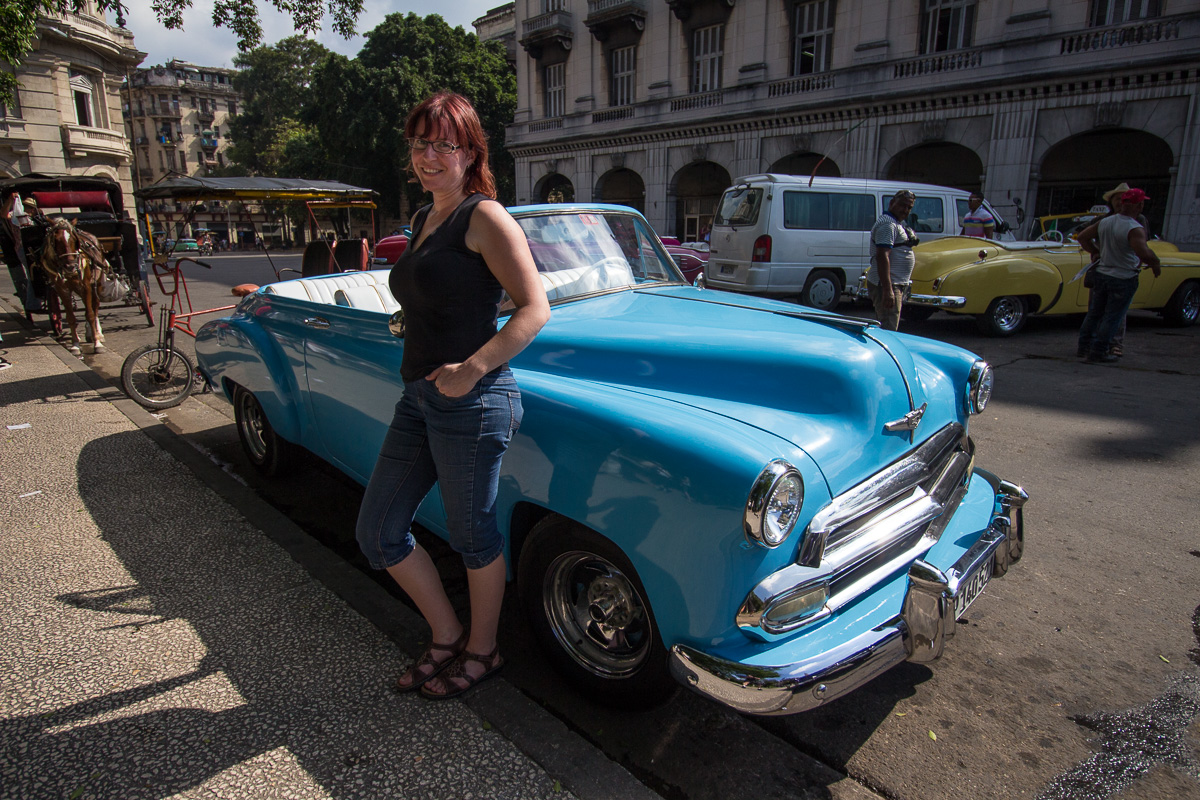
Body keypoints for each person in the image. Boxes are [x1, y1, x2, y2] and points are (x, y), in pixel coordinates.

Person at [355, 92, 551, 700]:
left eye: (443, 143)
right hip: (419, 397)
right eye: (419, 143)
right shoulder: (423, 219)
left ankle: (483, 650)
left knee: (473, 539)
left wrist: (473, 366)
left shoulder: (484, 217)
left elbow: (534, 308)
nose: (428, 155)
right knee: (378, 531)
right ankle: (446, 634)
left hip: (473, 399)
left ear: (470, 152)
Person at [1075, 188, 1160, 363]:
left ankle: (1084, 347)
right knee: (1113, 317)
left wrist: (1096, 252)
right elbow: (1143, 253)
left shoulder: (1105, 222)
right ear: (1139, 205)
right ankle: (1099, 351)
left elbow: (1082, 237)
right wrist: (1155, 263)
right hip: (1123, 277)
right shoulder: (1134, 228)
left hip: (1102, 273)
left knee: (1094, 313)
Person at [865, 189, 918, 330]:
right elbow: (882, 255)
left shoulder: (895, 223)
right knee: (889, 328)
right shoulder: (887, 225)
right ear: (892, 203)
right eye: (902, 205)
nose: (905, 210)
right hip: (887, 284)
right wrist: (888, 290)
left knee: (888, 325)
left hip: (894, 283)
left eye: (909, 207)